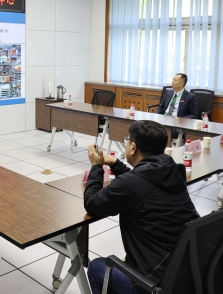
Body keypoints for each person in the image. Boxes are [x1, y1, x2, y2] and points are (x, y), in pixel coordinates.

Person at [84, 120, 199, 294]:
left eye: (127, 140)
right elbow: (140, 181)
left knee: (96, 268)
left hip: (154, 280)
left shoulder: (131, 184)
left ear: (133, 148)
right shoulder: (171, 169)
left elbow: (92, 203)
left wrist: (96, 166)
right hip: (185, 268)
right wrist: (114, 163)